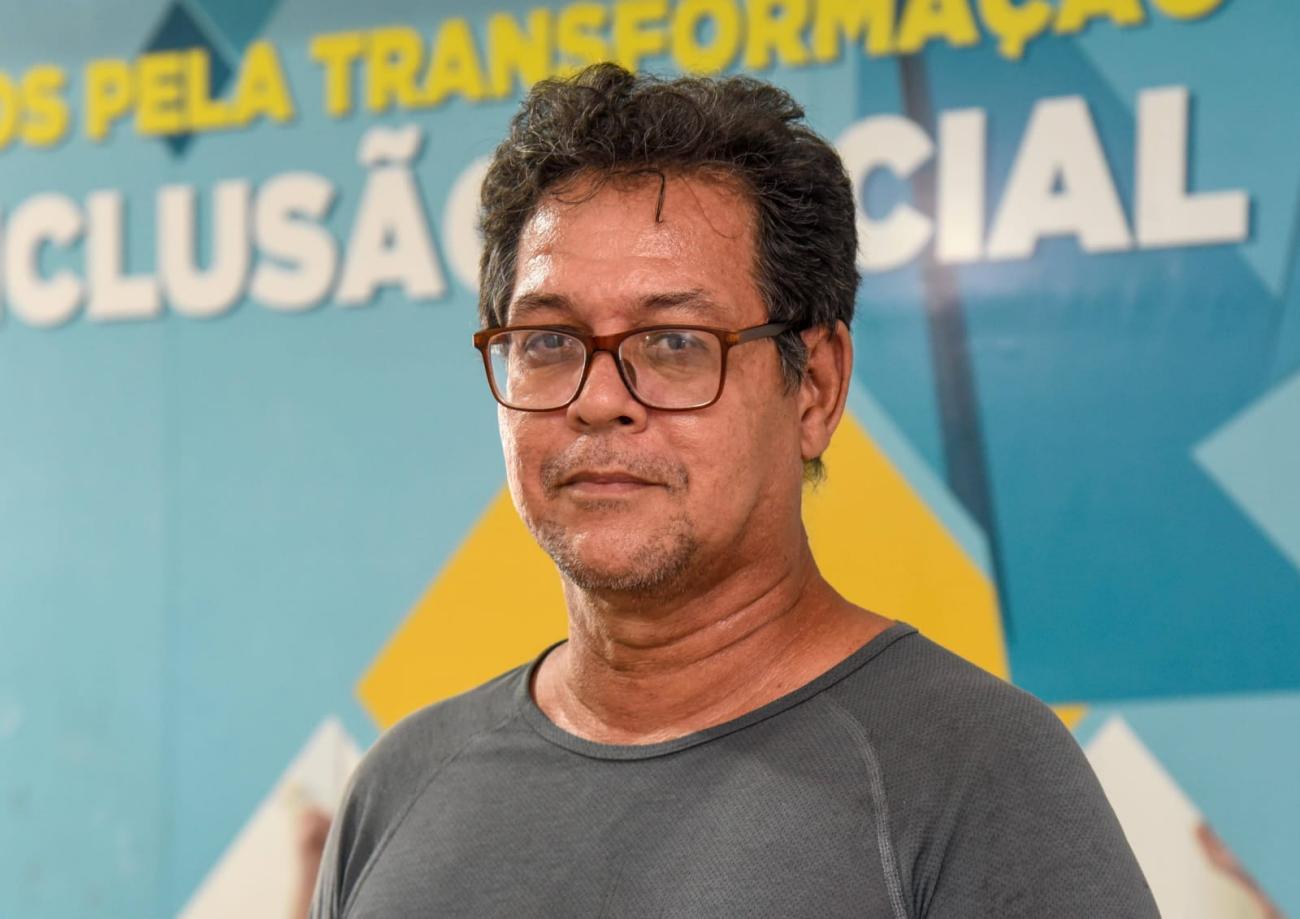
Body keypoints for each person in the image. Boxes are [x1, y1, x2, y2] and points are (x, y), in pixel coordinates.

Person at [310, 63, 1158, 918]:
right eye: (548, 340)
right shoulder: (399, 787)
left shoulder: (976, 775)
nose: (599, 399)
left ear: (815, 389)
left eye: (675, 342)